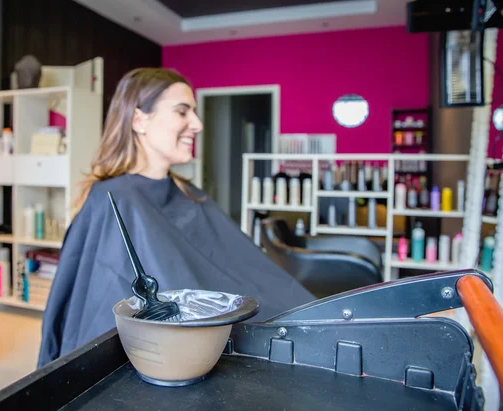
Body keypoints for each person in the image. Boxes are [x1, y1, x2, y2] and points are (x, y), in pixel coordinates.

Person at [37, 68, 315, 368]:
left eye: (194, 112)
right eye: (182, 112)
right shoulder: (114, 200)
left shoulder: (187, 191)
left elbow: (236, 268)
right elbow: (96, 310)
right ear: (140, 120)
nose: (196, 124)